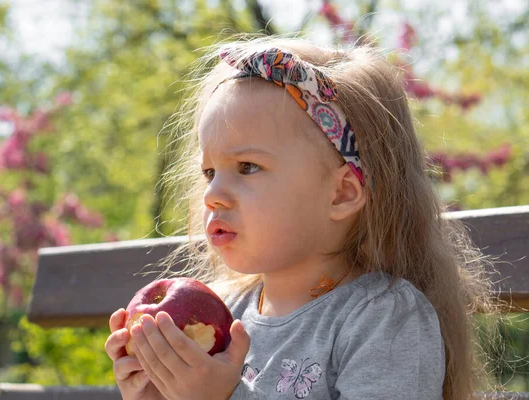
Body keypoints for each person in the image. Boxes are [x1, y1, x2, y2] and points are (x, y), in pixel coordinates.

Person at [105, 37, 502, 400]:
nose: (212, 195)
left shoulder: (384, 318)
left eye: (247, 167)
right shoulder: (225, 311)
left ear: (341, 193)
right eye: (209, 173)